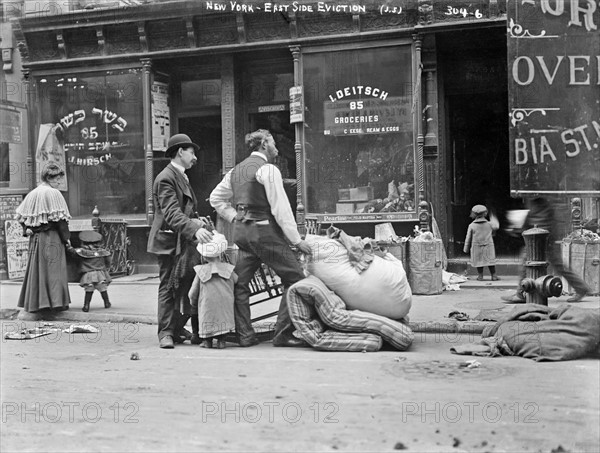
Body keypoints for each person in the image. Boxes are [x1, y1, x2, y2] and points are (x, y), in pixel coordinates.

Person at [210, 129, 312, 347]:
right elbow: (281, 209)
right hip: (264, 234)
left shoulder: (235, 171)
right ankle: (283, 334)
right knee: (295, 278)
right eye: (273, 142)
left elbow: (215, 198)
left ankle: (245, 336)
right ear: (264, 144)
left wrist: (234, 217)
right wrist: (296, 240)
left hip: (242, 235)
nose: (276, 147)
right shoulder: (268, 169)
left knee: (240, 285)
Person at [147, 134, 213, 349]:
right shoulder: (166, 177)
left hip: (179, 239)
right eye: (192, 152)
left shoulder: (180, 175)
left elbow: (183, 210)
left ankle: (175, 327)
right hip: (168, 241)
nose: (194, 157)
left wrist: (196, 219)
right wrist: (194, 230)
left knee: (184, 284)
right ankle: (165, 333)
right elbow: (171, 214)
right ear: (180, 152)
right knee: (168, 286)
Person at [502, 197, 591, 303]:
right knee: (558, 265)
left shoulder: (537, 199)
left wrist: (527, 230)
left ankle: (521, 293)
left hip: (540, 237)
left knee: (526, 261)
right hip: (544, 235)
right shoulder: (537, 199)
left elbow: (538, 218)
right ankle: (581, 287)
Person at [15, 163, 71, 314]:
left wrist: (27, 229)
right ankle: (55, 303)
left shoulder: (33, 193)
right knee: (54, 270)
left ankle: (37, 303)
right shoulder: (54, 193)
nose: (59, 182)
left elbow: (21, 217)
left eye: (60, 178)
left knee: (37, 271)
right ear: (48, 177)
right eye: (57, 178)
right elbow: (60, 220)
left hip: (36, 239)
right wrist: (66, 239)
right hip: (52, 237)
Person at [188, 232, 236, 349]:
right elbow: (236, 280)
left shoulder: (201, 271)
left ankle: (207, 341)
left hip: (207, 305)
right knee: (223, 320)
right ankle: (221, 341)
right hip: (225, 304)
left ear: (203, 256)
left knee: (206, 318)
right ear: (221, 254)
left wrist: (193, 302)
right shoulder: (228, 269)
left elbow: (192, 293)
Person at [69, 230, 112, 312]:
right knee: (103, 289)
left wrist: (69, 246)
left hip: (88, 274)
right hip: (100, 273)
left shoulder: (82, 251)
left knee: (89, 290)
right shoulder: (103, 251)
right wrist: (106, 268)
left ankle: (86, 305)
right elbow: (108, 261)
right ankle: (107, 302)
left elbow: (73, 253)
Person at [463, 204, 499, 281]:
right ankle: (494, 275)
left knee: (479, 262)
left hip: (476, 246)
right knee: (490, 262)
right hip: (488, 246)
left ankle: (480, 276)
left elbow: (468, 238)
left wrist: (466, 248)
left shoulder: (471, 225)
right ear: (485, 214)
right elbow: (496, 226)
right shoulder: (490, 224)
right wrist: (493, 215)